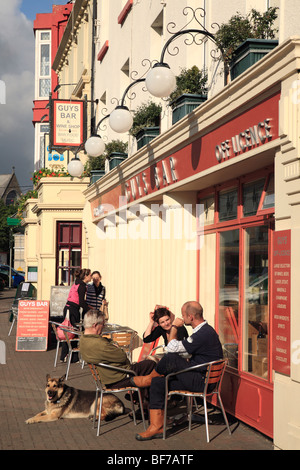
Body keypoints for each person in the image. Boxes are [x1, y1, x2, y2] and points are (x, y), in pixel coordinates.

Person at [134, 301, 223, 441]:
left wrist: (174, 327)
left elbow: (171, 348)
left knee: (170, 358)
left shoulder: (203, 333)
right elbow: (189, 352)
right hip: (199, 376)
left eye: (183, 315)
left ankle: (147, 379)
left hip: (202, 381)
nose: (181, 318)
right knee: (158, 382)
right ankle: (156, 427)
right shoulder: (204, 331)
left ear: (190, 316)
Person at [79, 309, 157, 416]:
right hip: (119, 377)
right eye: (103, 323)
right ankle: (148, 406)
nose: (104, 326)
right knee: (151, 365)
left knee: (145, 370)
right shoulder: (100, 344)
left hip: (107, 377)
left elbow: (111, 346)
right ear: (95, 325)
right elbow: (122, 356)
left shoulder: (83, 340)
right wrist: (116, 346)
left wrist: (111, 343)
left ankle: (140, 400)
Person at [60, 268, 92, 363]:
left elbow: (80, 301)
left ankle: (68, 357)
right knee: (72, 332)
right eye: (90, 275)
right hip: (72, 310)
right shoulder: (82, 286)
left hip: (69, 308)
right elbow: (81, 302)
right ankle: (70, 357)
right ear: (85, 276)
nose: (91, 277)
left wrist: (88, 306)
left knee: (70, 332)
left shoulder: (76, 283)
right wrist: (90, 310)